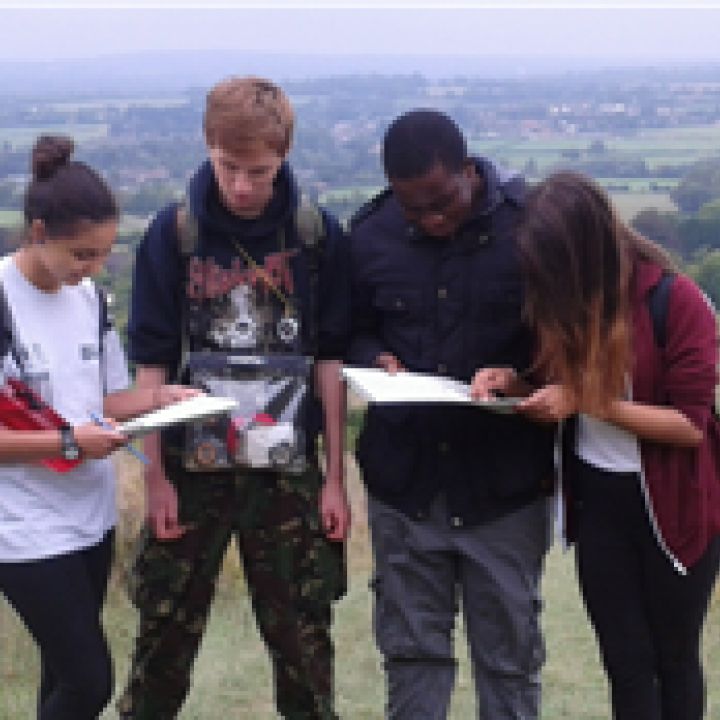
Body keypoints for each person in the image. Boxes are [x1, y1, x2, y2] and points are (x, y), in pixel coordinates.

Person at [117, 76, 350, 720]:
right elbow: (152, 366)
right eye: (228, 167)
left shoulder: (316, 236)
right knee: (161, 641)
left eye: (259, 171)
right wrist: (153, 479)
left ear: (285, 158)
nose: (243, 186)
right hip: (192, 470)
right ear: (207, 146)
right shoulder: (173, 235)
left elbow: (330, 360)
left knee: (304, 646)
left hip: (288, 471)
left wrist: (335, 480)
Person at [471, 170, 720, 720]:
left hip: (675, 506)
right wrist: (517, 387)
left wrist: (586, 400)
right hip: (599, 504)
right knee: (625, 664)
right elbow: (559, 396)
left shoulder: (676, 302)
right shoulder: (564, 309)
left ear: (586, 252)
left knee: (674, 661)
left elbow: (689, 426)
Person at [347, 109, 556, 720]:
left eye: (443, 201)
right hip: (405, 486)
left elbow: (568, 348)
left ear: (470, 170)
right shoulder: (368, 237)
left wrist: (523, 381)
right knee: (412, 656)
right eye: (415, 209)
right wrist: (373, 358)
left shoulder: (531, 230)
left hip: (504, 486)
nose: (432, 220)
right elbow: (349, 334)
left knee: (509, 662)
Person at [0, 135, 195, 720]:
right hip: (23, 526)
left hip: (90, 514)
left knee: (61, 680)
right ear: (38, 232)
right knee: (89, 683)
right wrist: (67, 443)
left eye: (104, 254)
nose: (93, 268)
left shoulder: (89, 298)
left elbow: (105, 398)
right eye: (81, 254)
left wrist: (162, 397)